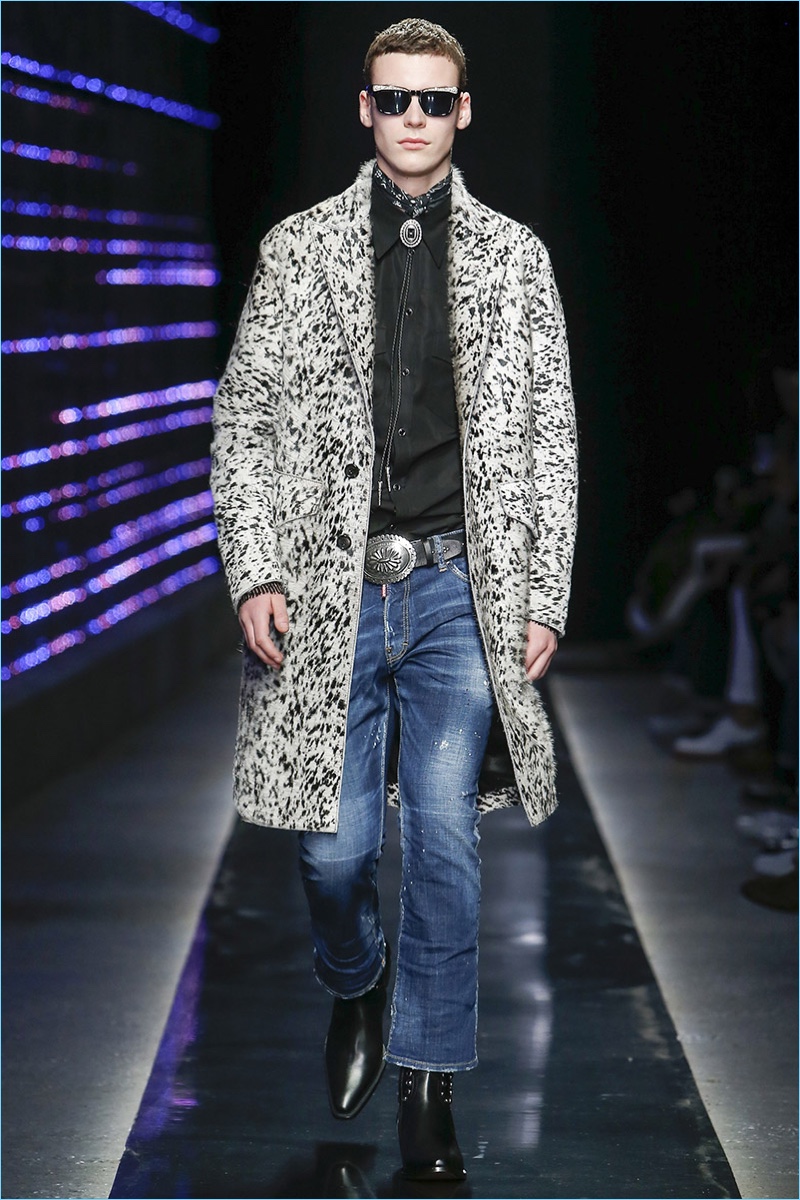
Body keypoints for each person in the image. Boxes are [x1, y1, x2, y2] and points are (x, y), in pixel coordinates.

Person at [211, 17, 577, 1183]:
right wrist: (256, 569)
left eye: (432, 100)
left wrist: (544, 596)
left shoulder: (514, 258)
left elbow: (550, 434)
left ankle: (428, 1087)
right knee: (332, 856)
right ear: (363, 109)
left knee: (445, 840)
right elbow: (244, 419)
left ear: (461, 111)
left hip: (462, 589)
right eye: (392, 99)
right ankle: (354, 981)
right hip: (328, 591)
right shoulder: (298, 249)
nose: (412, 118)